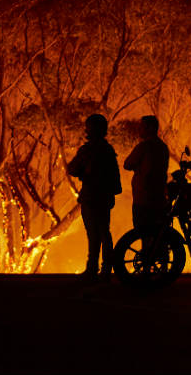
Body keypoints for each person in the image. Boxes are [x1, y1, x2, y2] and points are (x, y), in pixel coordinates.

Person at [67, 113, 122, 282]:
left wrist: (84, 172)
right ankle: (105, 268)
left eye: (89, 126)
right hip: (103, 197)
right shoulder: (107, 150)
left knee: (94, 233)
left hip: (91, 196)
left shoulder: (88, 150)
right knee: (103, 232)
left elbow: (72, 169)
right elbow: (115, 176)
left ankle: (93, 268)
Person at [123, 115, 170, 236]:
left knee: (143, 234)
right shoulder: (163, 147)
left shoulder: (143, 147)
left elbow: (127, 164)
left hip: (143, 200)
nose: (139, 130)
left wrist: (138, 167)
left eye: (142, 127)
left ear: (150, 128)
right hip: (159, 200)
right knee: (159, 236)